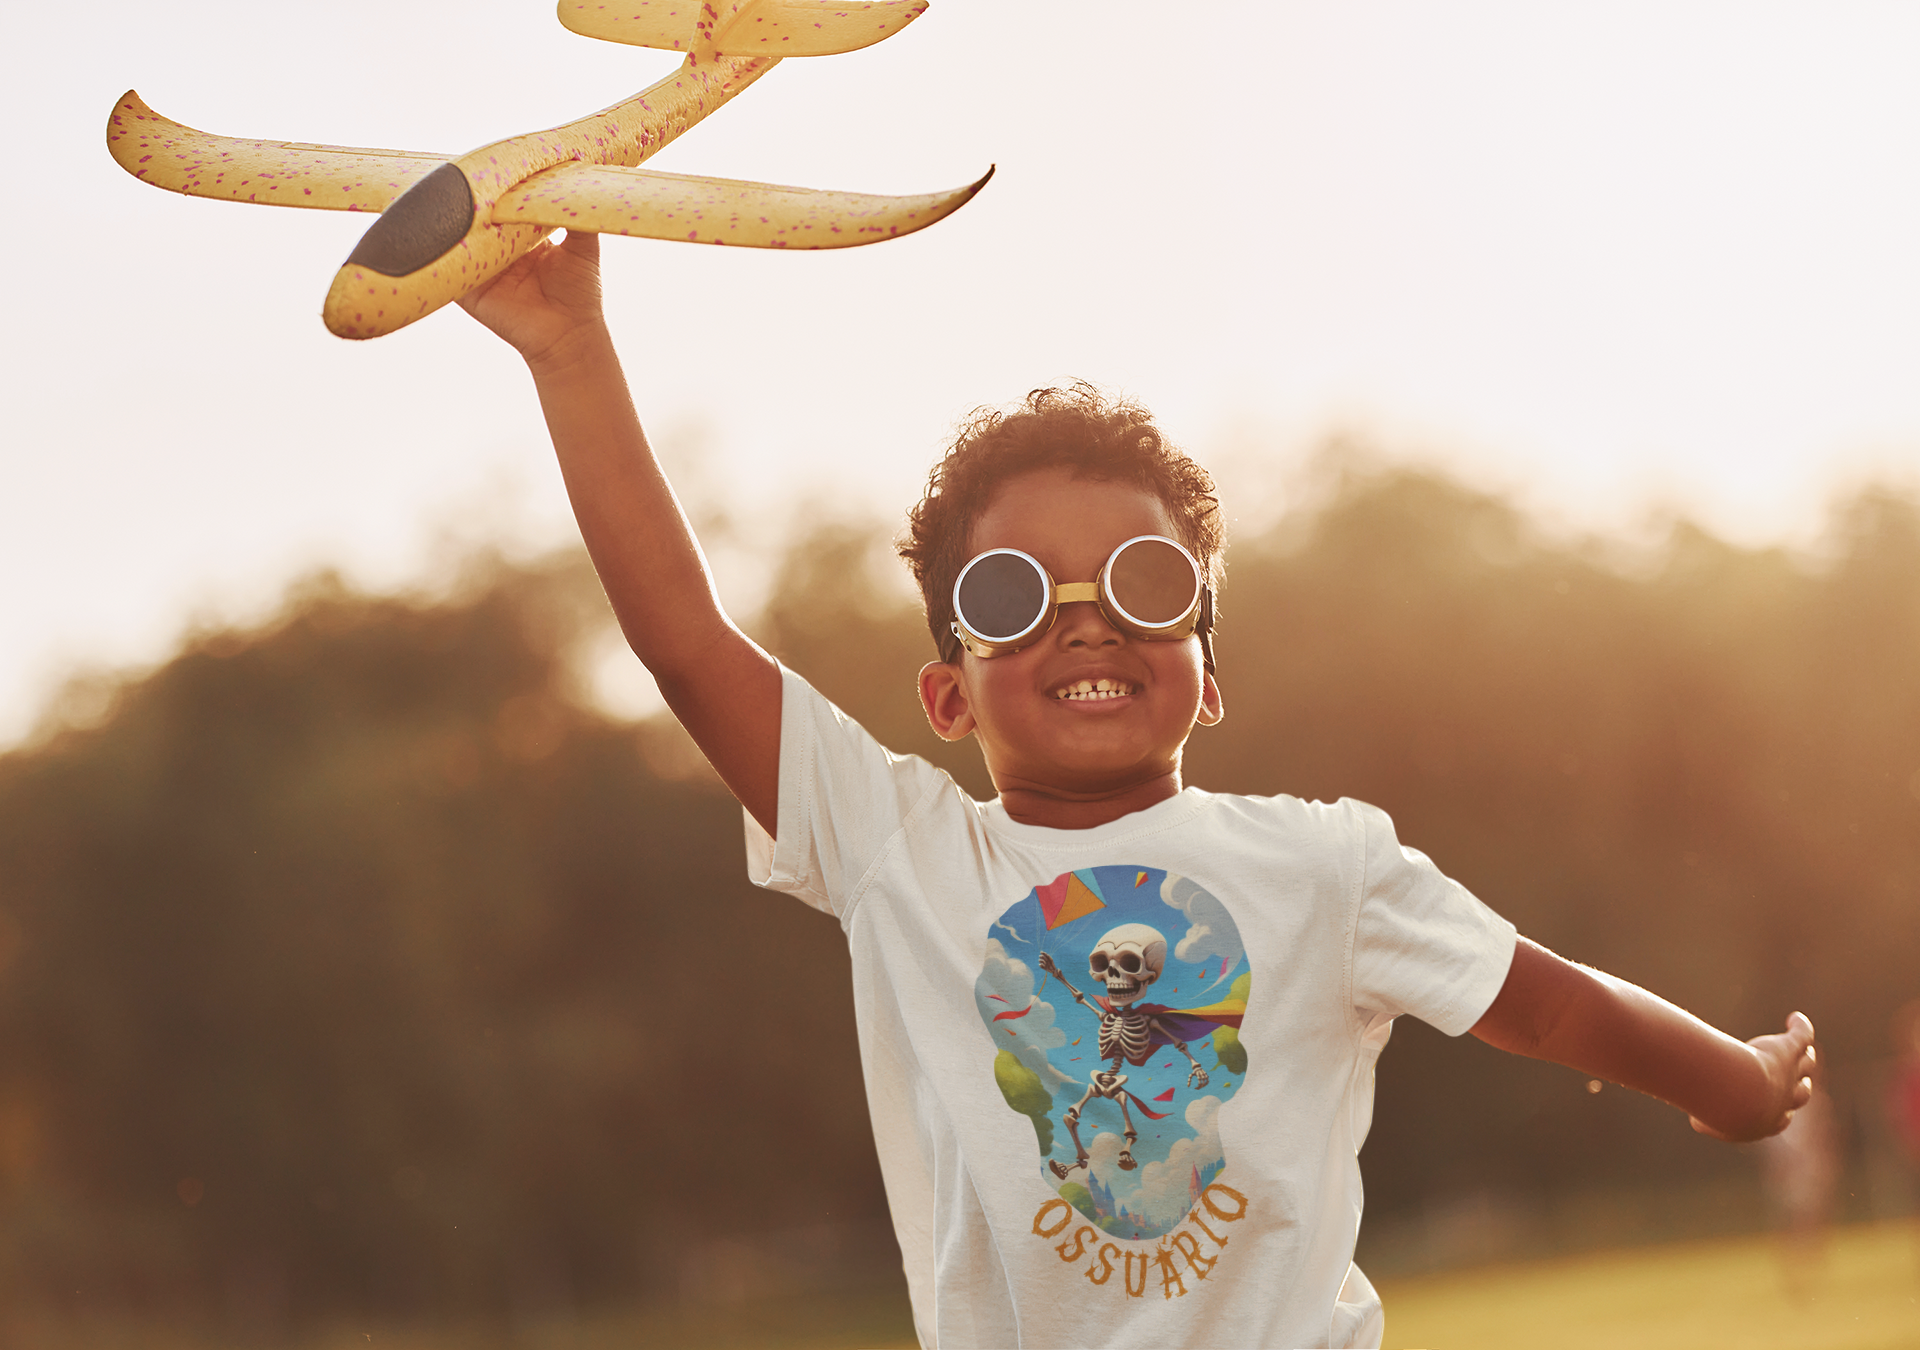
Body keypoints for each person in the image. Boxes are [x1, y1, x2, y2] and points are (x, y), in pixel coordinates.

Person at [459, 230, 1818, 1349]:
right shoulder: (903, 854)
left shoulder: (1324, 865)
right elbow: (687, 645)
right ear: (947, 697)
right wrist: (572, 353)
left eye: (1146, 584)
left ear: (1210, 674)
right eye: (1013, 598)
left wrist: (1736, 1081)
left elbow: (1549, 1001)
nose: (1087, 620)